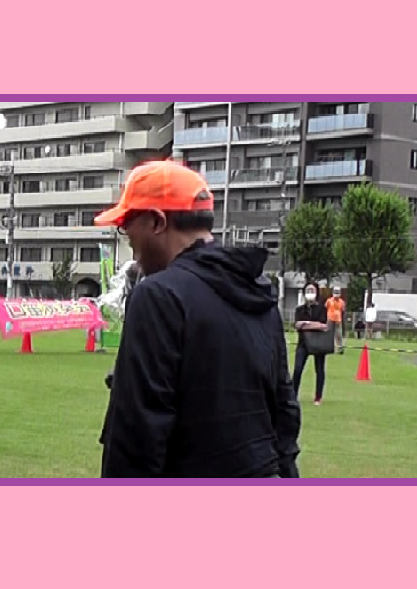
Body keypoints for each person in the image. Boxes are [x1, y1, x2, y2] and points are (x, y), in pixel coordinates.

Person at [94, 159, 302, 479]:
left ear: (157, 221)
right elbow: (284, 409)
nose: (129, 241)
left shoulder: (159, 295)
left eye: (126, 226)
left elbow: (137, 433)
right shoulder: (256, 288)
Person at [293, 283, 330, 406]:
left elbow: (323, 326)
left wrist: (306, 323)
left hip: (318, 343)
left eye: (312, 290)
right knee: (297, 369)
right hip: (303, 343)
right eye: (308, 290)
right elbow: (297, 325)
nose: (310, 293)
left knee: (319, 370)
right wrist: (313, 325)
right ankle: (293, 395)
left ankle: (318, 397)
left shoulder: (322, 309)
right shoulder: (299, 309)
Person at [326, 285, 347, 353]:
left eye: (337, 292)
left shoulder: (342, 302)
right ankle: (328, 348)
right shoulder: (329, 301)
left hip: (338, 320)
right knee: (329, 334)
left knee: (339, 335)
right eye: (335, 292)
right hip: (330, 319)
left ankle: (340, 349)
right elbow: (325, 308)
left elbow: (343, 311)